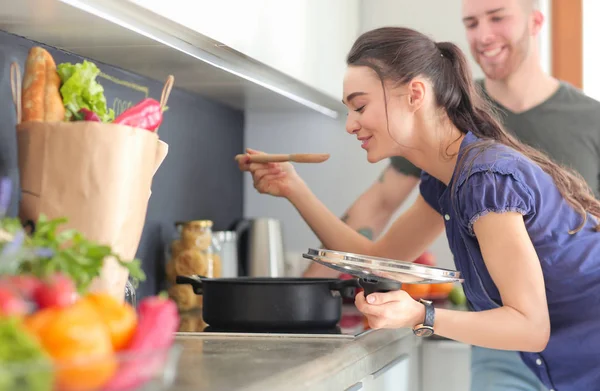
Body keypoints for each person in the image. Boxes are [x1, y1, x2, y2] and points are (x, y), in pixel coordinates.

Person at [239, 26, 600, 391]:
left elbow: (529, 328)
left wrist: (421, 314)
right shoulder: (446, 179)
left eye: (360, 106)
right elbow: (377, 257)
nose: (350, 124)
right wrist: (293, 188)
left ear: (415, 93)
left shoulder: (484, 179)